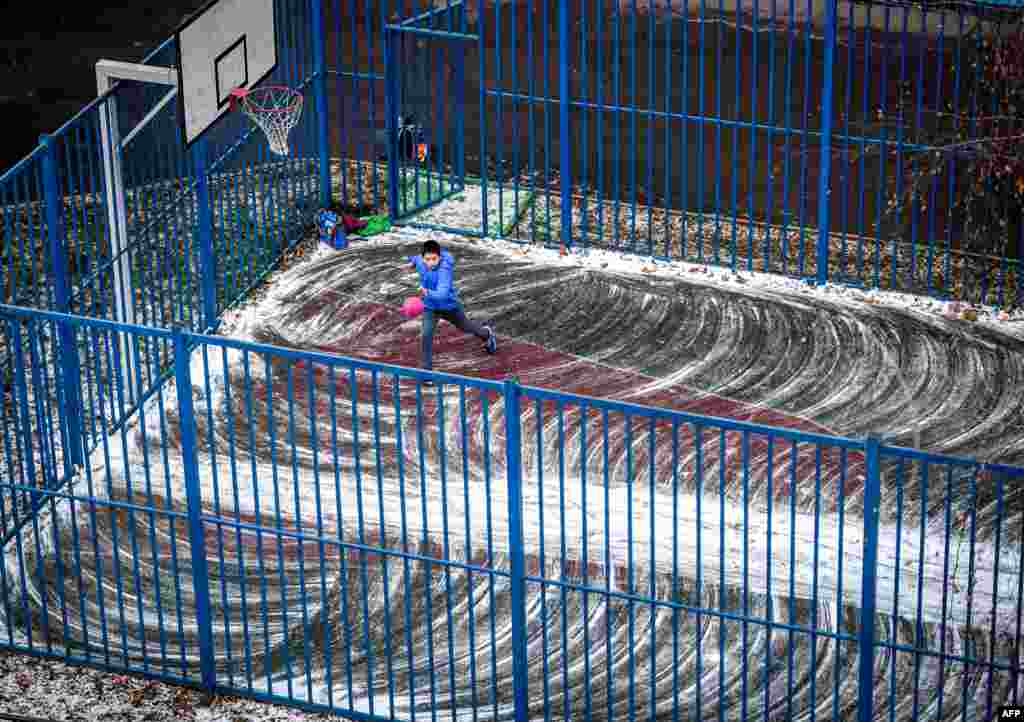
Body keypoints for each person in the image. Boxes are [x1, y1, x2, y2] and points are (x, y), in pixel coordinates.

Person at [408, 240, 496, 382]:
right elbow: (415, 258)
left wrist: (427, 292)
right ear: (423, 258)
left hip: (449, 306)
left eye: (434, 259)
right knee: (426, 335)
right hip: (430, 307)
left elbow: (442, 294)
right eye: (427, 259)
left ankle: (486, 334)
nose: (430, 262)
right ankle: (427, 372)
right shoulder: (420, 261)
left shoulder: (444, 271)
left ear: (440, 257)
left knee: (466, 327)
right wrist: (411, 263)